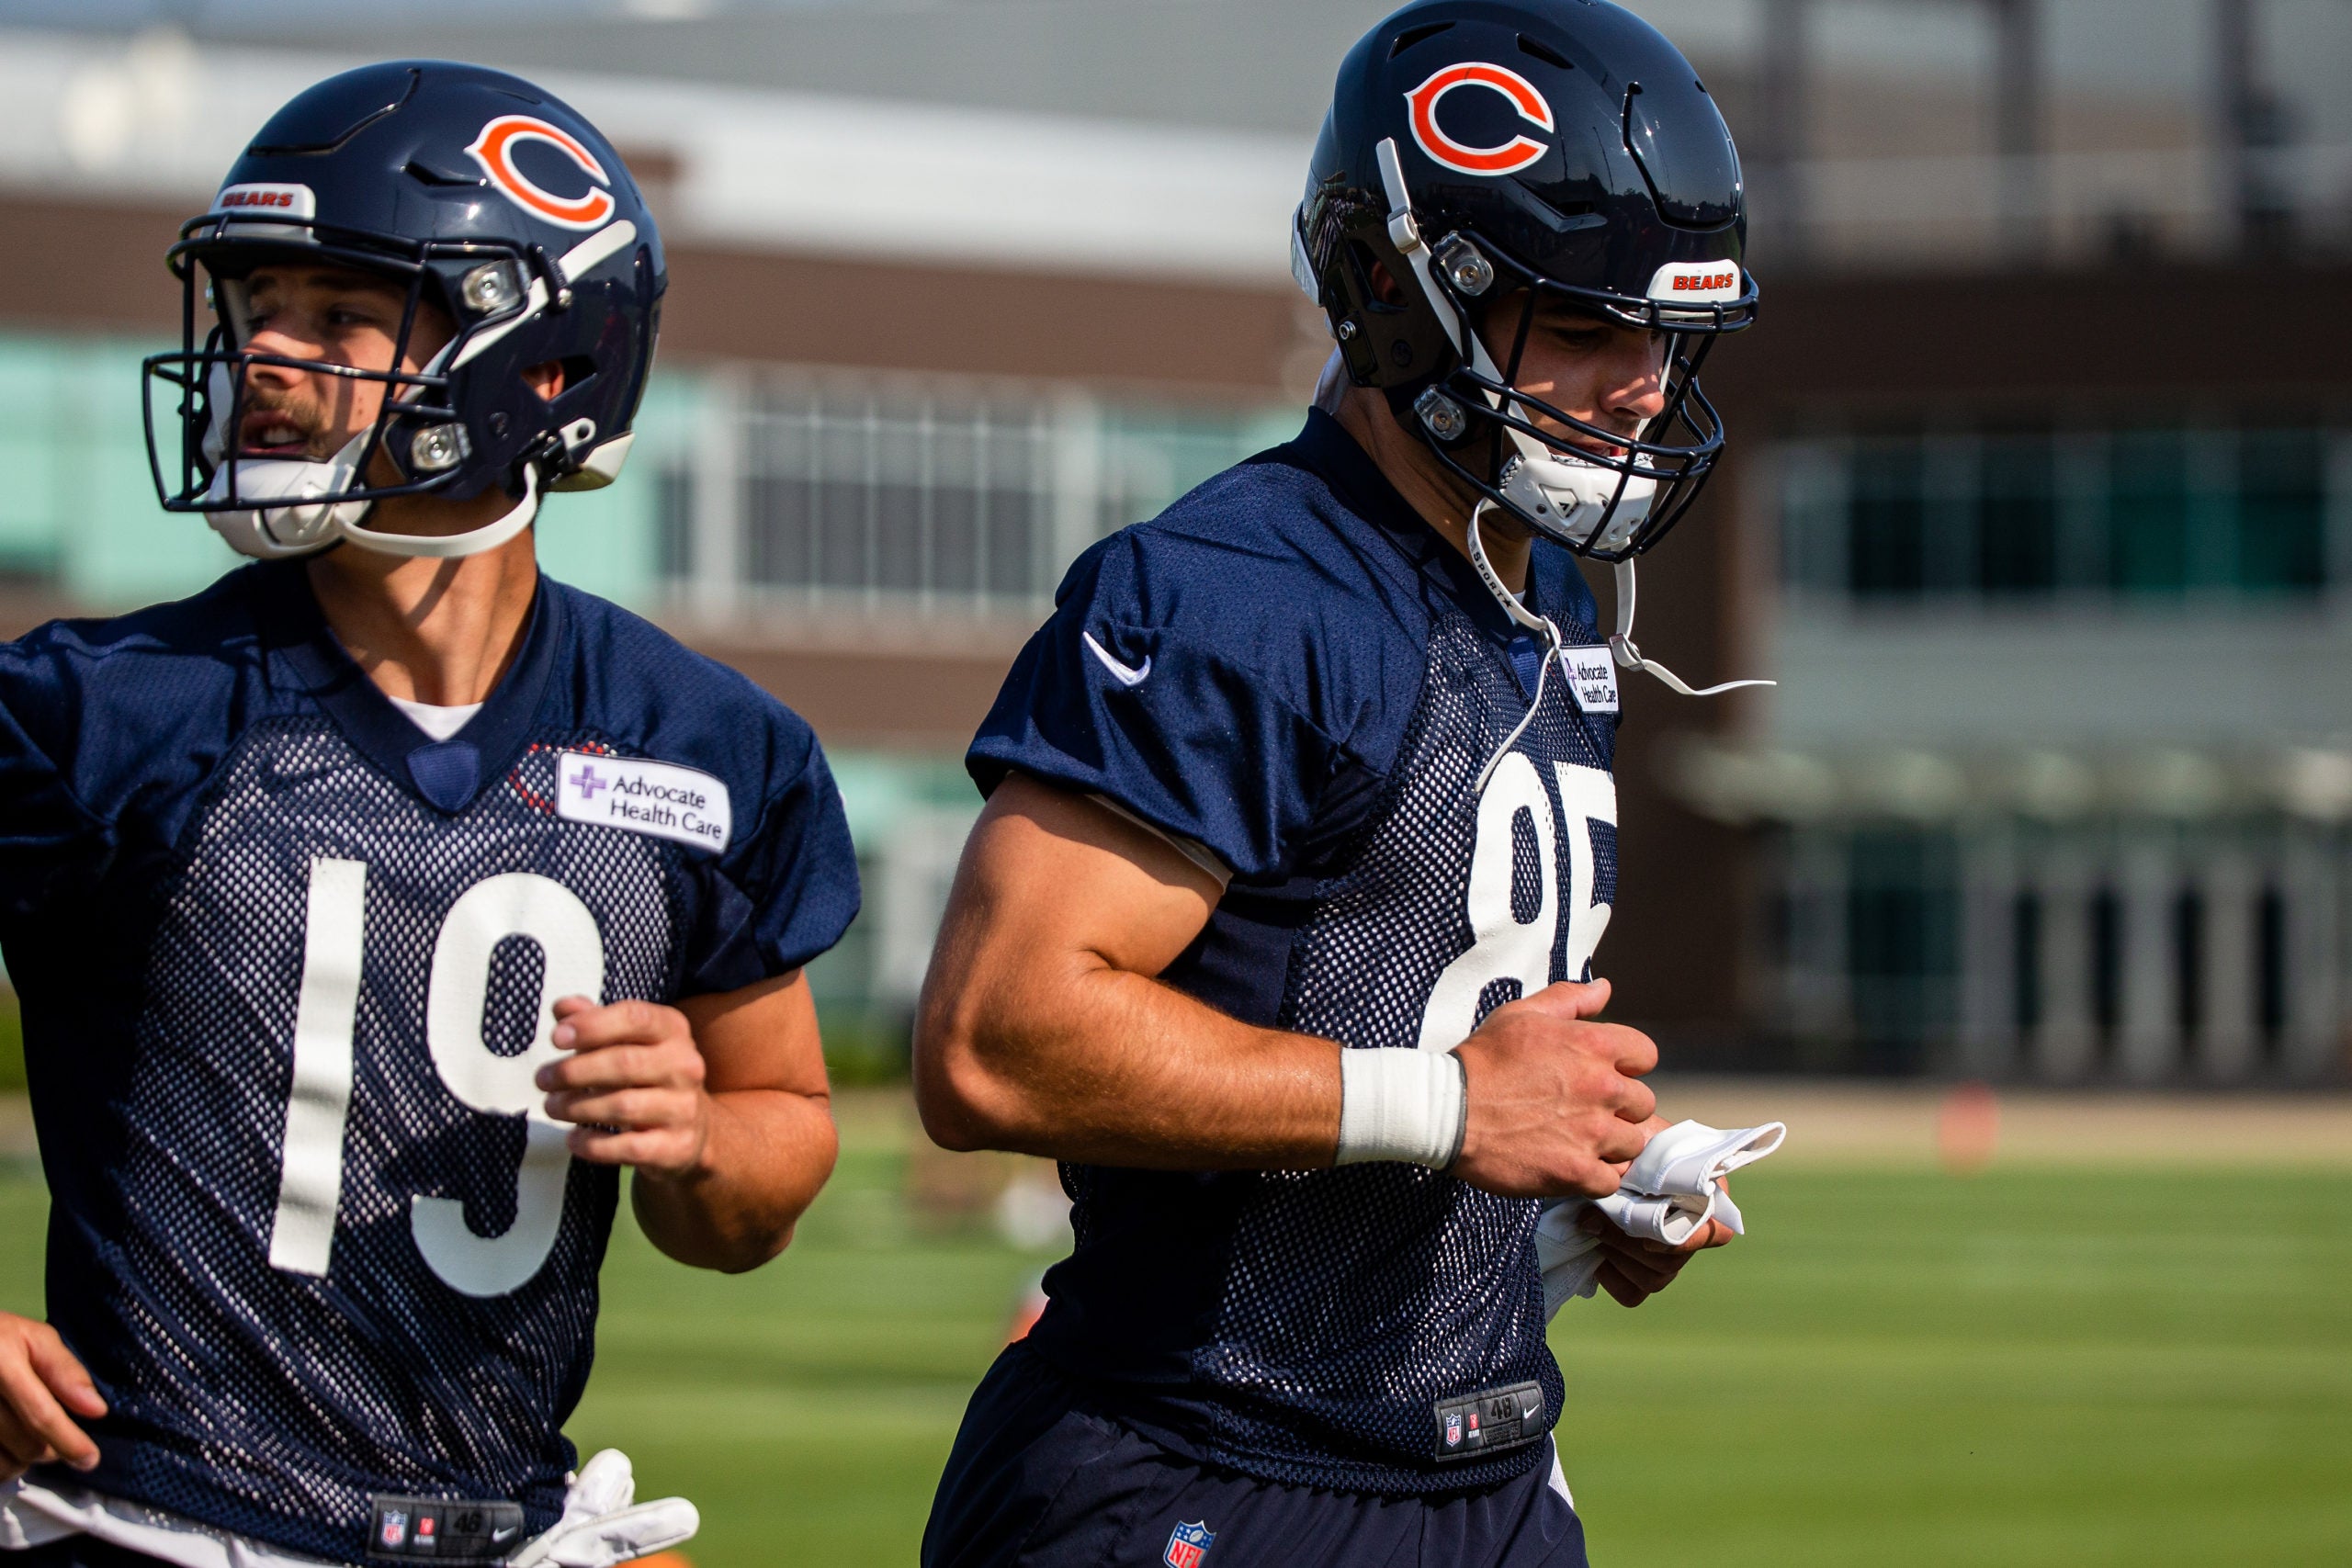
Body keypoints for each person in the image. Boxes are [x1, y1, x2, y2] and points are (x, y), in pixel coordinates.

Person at [912, 2, 1759, 1563]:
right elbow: (995, 1040)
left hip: (1487, 1467)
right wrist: (1451, 1106)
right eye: (1583, 326)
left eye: (1666, 337)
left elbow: (1398, 1027)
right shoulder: (1234, 594)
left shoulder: (1539, 599)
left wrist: (1555, 1203)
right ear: (1395, 295)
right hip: (1200, 1470)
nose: (1643, 386)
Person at [0, 61, 857, 1568]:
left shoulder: (711, 746)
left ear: (536, 364)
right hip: (144, 1523)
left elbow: (767, 1174)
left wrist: (701, 1134)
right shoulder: (104, 707)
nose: (265, 352)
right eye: (256, 303)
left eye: (336, 316)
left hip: (497, 1528)